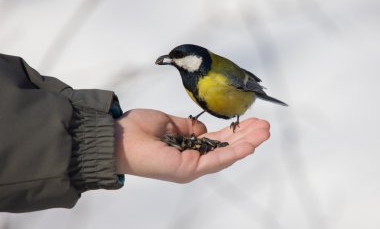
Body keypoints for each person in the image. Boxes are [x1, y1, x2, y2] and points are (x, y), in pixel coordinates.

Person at [0, 53, 271, 213]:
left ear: (196, 60)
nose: (174, 62)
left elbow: (247, 83)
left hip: (238, 103)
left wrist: (99, 139)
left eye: (179, 58)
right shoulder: (190, 80)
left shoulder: (220, 75)